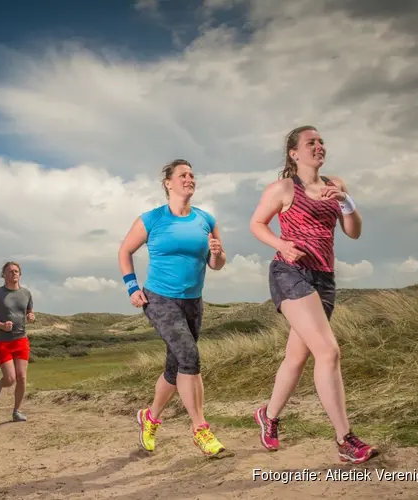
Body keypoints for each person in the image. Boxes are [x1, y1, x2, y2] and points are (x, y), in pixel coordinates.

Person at [248, 125, 378, 464]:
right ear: (294, 153)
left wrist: (347, 202)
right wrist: (281, 245)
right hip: (290, 272)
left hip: (324, 278)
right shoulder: (283, 188)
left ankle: (268, 416)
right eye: (311, 142)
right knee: (329, 352)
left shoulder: (336, 186)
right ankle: (344, 439)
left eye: (321, 141)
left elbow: (354, 232)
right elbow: (257, 224)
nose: (318, 146)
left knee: (297, 357)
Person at [118, 159, 230, 459]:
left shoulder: (206, 219)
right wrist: (132, 287)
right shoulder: (152, 219)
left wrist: (218, 255)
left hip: (193, 301)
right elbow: (125, 250)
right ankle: (201, 429)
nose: (189, 178)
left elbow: (216, 264)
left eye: (192, 174)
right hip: (159, 299)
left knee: (175, 367)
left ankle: (150, 419)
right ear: (168, 183)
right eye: (183, 175)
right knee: (190, 357)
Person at [0, 261, 35, 422]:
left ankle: (17, 411)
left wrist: (31, 317)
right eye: (10, 271)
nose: (13, 273)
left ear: (20, 274)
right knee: (10, 378)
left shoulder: (26, 293)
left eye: (16, 271)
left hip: (21, 339)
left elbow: (29, 312)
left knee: (22, 377)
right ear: (4, 275)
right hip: (2, 341)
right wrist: (1, 325)